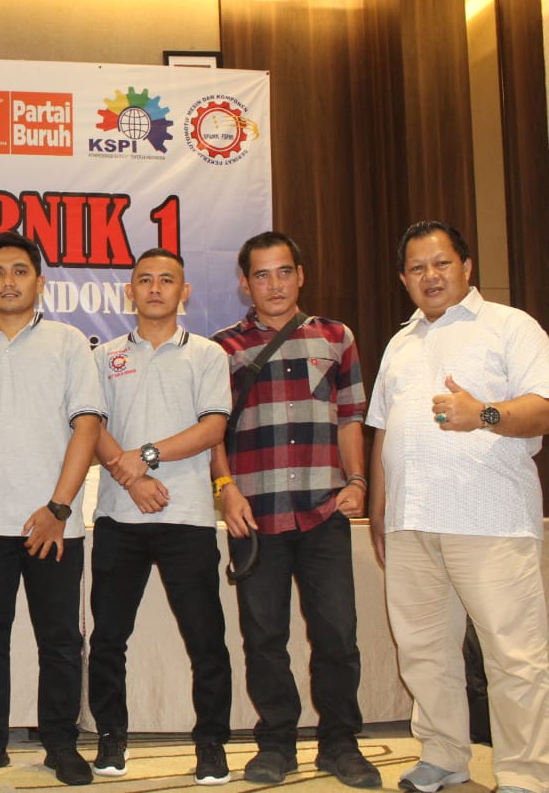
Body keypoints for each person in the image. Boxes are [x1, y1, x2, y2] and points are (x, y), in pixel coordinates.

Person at [367, 220, 549, 793]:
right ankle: (444, 755)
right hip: (411, 522)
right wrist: (380, 509)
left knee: (514, 656)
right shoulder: (400, 343)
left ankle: (525, 774)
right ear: (403, 279)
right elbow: (383, 429)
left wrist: (484, 414)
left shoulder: (510, 326)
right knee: (424, 652)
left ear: (466, 267)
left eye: (441, 263)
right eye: (417, 268)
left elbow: (543, 408)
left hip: (490, 520)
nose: (430, 276)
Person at [208, 231, 380, 788]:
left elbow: (350, 417)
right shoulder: (222, 349)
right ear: (245, 284)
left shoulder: (337, 337)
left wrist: (357, 481)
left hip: (323, 511)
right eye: (261, 275)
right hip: (254, 517)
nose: (274, 284)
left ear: (300, 275)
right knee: (264, 639)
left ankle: (340, 743)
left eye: (284, 272)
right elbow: (212, 431)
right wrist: (225, 488)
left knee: (337, 635)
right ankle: (276, 745)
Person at [0, 231, 104, 787]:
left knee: (60, 640)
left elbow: (87, 426)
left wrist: (59, 507)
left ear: (40, 282)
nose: (8, 282)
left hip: (54, 522)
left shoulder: (68, 342)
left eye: (20, 271)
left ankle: (61, 743)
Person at [88, 248, 233, 785]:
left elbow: (213, 428)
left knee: (206, 640)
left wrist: (146, 457)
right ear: (129, 291)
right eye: (144, 280)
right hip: (118, 518)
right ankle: (111, 737)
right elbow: (91, 427)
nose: (155, 288)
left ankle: (212, 744)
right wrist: (132, 480)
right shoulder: (104, 357)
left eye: (166, 280)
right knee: (108, 639)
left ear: (184, 291)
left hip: (187, 518)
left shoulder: (207, 355)